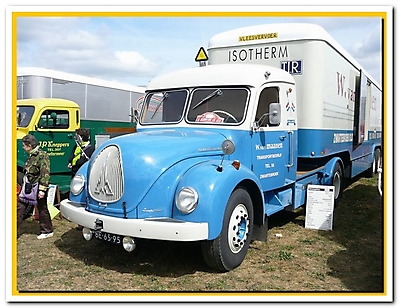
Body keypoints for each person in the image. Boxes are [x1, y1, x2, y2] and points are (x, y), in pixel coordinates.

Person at [17, 134, 54, 239]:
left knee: (42, 208)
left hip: (38, 186)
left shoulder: (42, 155)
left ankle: (47, 230)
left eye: (24, 145)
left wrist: (42, 190)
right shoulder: (31, 156)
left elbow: (45, 173)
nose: (23, 148)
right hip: (29, 186)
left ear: (29, 145)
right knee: (20, 207)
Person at [67, 128, 94, 231]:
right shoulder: (77, 147)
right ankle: (78, 220)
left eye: (77, 136)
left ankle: (84, 222)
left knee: (84, 198)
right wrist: (70, 162)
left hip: (83, 176)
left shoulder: (90, 149)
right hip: (75, 174)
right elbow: (72, 155)